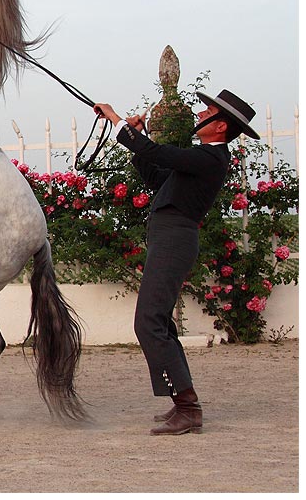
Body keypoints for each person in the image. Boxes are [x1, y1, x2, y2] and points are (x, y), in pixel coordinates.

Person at [93, 89, 259, 436]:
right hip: (168, 237)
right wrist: (138, 137)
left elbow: (158, 153)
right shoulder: (203, 161)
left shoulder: (211, 158)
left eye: (207, 111)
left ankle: (187, 407)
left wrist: (117, 121)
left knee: (149, 322)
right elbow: (157, 178)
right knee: (159, 322)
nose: (200, 115)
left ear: (220, 126)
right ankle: (183, 404)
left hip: (174, 240)